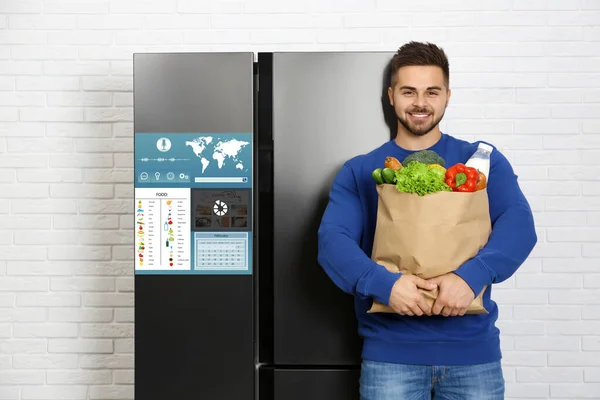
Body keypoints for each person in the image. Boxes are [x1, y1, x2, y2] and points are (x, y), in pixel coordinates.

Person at [317, 41, 537, 399]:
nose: (420, 102)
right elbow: (333, 242)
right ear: (391, 96)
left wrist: (470, 278)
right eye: (409, 91)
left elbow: (519, 226)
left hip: (473, 355)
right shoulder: (361, 170)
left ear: (447, 96)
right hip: (390, 357)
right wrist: (385, 285)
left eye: (431, 92)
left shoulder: (480, 162)